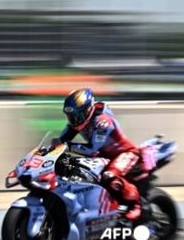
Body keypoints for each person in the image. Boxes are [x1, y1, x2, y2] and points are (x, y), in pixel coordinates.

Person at [54, 88, 143, 221]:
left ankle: (135, 204)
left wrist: (66, 146)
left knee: (109, 176)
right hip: (103, 156)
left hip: (125, 153)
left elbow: (91, 149)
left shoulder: (102, 122)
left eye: (78, 115)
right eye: (71, 117)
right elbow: (60, 141)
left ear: (89, 110)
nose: (75, 120)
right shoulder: (77, 122)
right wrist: (50, 149)